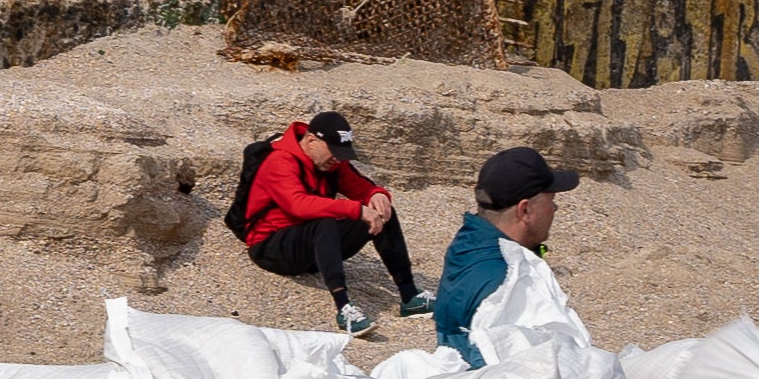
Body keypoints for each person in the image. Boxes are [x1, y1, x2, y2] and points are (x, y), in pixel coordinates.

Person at [230, 105, 418, 337]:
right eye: (333, 152)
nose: (337, 160)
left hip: (310, 246)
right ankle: (344, 308)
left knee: (382, 212)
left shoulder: (332, 163)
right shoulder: (279, 161)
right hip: (271, 249)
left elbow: (360, 186)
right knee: (325, 221)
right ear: (311, 141)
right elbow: (297, 205)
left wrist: (376, 195)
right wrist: (355, 209)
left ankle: (410, 296)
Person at [430, 144, 578, 360]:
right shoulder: (515, 280)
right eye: (551, 200)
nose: (555, 209)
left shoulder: (467, 245)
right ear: (525, 210)